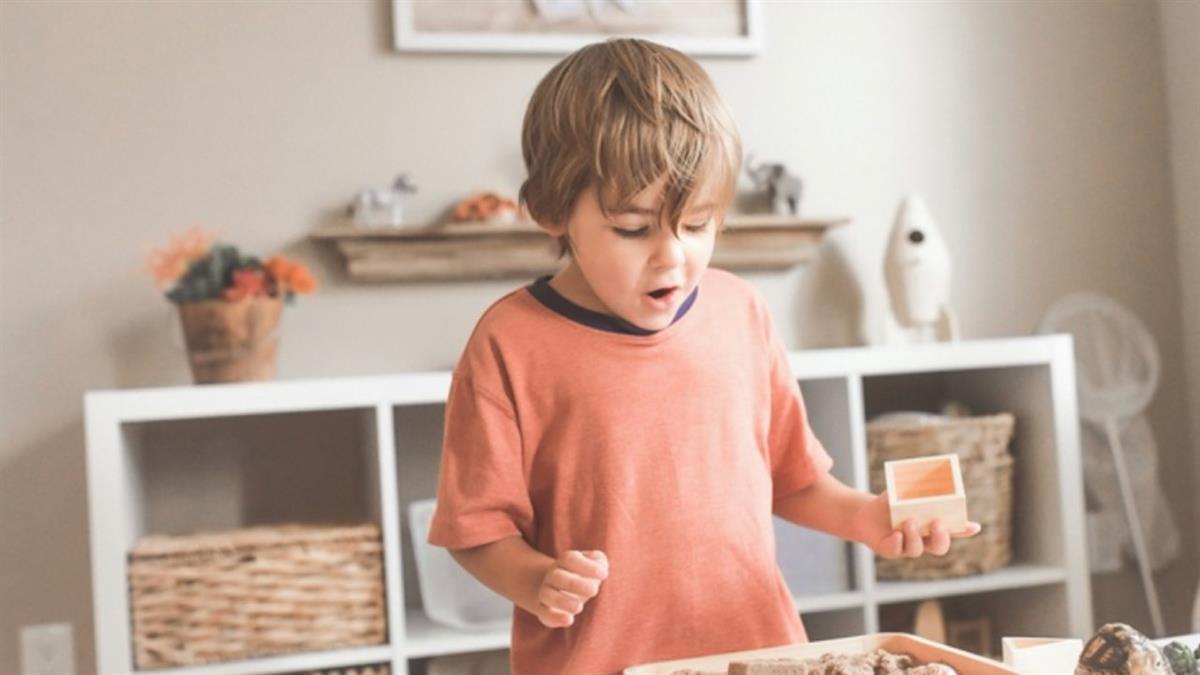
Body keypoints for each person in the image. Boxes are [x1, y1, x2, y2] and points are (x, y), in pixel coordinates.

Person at [427, 38, 980, 675]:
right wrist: (537, 581)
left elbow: (792, 477)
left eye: (697, 224)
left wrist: (869, 518)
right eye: (633, 229)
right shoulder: (509, 343)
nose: (672, 256)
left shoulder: (741, 313)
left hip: (759, 653)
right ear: (551, 211)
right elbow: (475, 529)